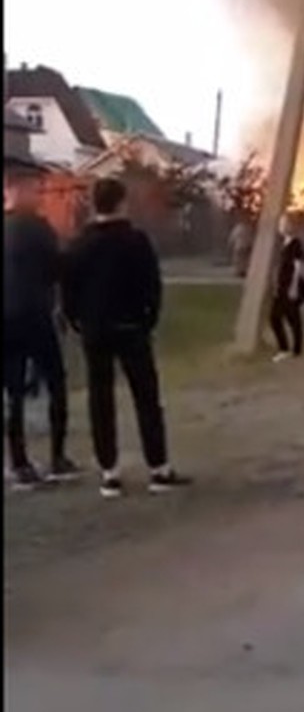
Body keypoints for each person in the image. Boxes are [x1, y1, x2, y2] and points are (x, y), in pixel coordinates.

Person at [61, 177, 188, 498]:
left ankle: (110, 473)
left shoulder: (79, 245)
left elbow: (68, 290)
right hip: (132, 328)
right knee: (146, 398)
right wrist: (148, 320)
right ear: (121, 202)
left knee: (100, 401)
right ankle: (158, 469)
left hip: (95, 330)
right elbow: (152, 285)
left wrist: (78, 321)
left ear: (94, 205)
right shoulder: (136, 241)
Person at [3, 167, 77, 490]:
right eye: (35, 190)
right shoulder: (39, 228)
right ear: (21, 191)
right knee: (56, 382)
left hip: (6, 318)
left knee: (13, 391)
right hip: (34, 315)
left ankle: (19, 461)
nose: (38, 196)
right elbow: (56, 269)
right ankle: (58, 456)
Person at [269, 215, 304, 362]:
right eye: (280, 224)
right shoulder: (283, 243)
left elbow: (298, 267)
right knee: (282, 317)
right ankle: (290, 348)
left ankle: (289, 349)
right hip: (281, 285)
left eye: (284, 224)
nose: (281, 227)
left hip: (289, 285)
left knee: (285, 317)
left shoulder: (295, 244)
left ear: (290, 226)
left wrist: (294, 286)